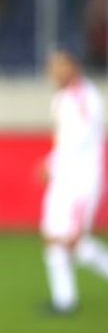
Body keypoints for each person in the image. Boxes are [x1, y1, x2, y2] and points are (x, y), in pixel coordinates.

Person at [42, 50, 108, 315]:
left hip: (82, 179)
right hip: (62, 180)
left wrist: (52, 163)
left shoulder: (85, 97)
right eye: (52, 67)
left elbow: (80, 139)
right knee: (53, 237)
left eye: (60, 65)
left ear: (73, 66)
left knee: (75, 242)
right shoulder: (61, 98)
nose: (54, 72)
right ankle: (64, 300)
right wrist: (53, 165)